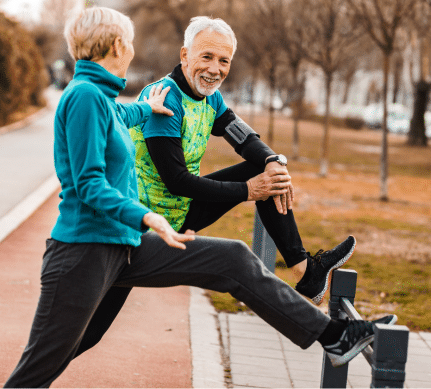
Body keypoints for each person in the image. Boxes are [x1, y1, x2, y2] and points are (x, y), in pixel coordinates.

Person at [3, 7, 396, 388]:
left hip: (125, 244)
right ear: (116, 47)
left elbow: (124, 119)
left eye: (222, 59)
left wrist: (144, 111)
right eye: (131, 43)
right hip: (86, 251)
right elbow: (89, 183)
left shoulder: (104, 98)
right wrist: (147, 217)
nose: (134, 50)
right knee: (50, 360)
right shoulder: (86, 96)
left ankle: (334, 336)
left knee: (234, 259)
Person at [130, 16, 354, 306]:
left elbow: (243, 137)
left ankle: (305, 271)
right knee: (93, 323)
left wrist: (274, 161)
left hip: (182, 212)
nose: (214, 69)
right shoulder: (164, 97)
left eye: (224, 61)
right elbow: (176, 181)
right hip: (147, 221)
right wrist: (249, 190)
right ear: (185, 55)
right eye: (206, 57)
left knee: (267, 169)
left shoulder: (210, 98)